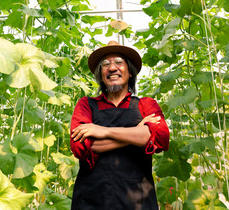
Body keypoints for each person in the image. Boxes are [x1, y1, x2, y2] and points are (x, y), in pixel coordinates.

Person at [70, 40, 170, 210]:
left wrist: (102, 131)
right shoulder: (86, 104)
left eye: (118, 62)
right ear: (100, 73)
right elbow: (80, 146)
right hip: (92, 200)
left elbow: (161, 137)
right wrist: (139, 133)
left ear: (129, 72)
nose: (112, 67)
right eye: (105, 64)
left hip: (139, 201)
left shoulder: (146, 104)